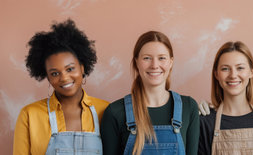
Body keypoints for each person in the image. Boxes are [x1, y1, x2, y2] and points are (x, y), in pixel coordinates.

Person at [13, 19, 109, 155]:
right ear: (47, 76)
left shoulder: (106, 111)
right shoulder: (29, 115)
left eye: (70, 69)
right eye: (55, 73)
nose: (64, 78)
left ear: (82, 67)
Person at [100, 31, 199, 155]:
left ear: (171, 62)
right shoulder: (115, 112)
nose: (154, 65)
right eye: (147, 58)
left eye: (162, 58)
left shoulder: (189, 107)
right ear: (136, 62)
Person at [198, 41, 253, 155]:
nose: (233, 75)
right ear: (216, 74)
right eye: (225, 69)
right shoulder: (204, 122)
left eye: (240, 68)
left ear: (251, 72)